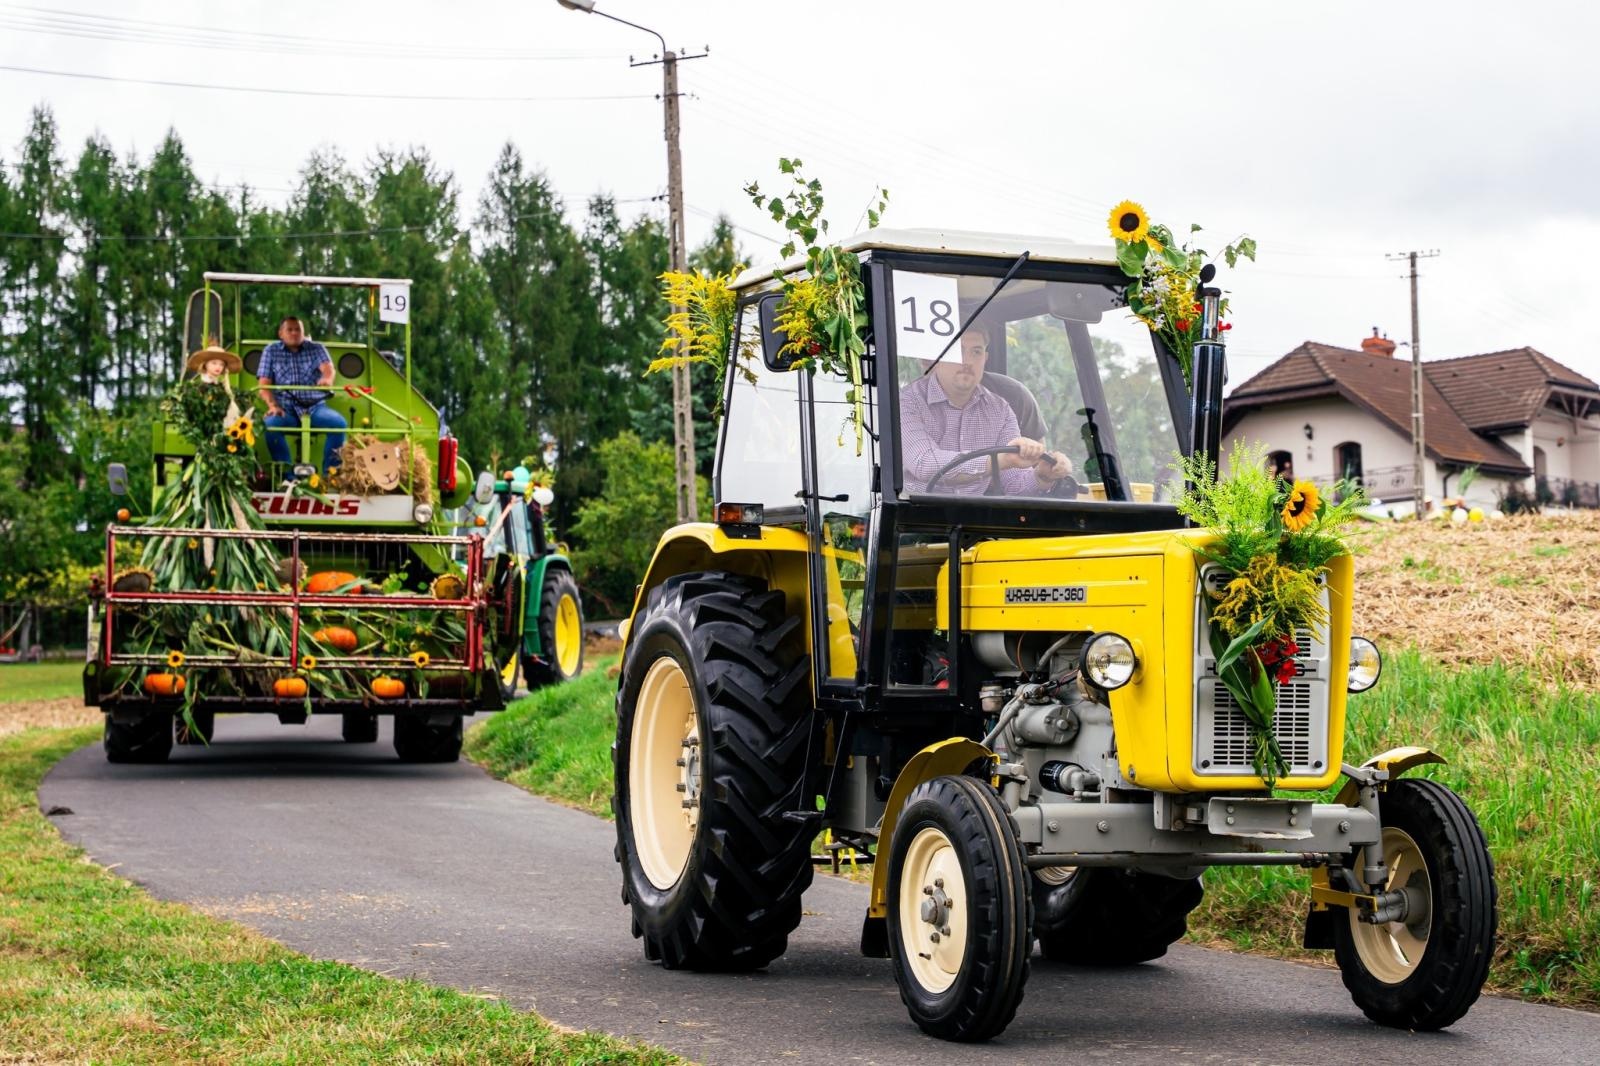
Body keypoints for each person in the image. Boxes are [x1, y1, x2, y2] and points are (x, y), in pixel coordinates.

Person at [899, 324, 1070, 496]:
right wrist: (1000, 460)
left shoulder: (1000, 410)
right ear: (937, 359)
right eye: (958, 351)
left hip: (978, 516)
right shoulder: (908, 400)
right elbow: (924, 464)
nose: (967, 361)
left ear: (985, 358)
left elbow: (1013, 483)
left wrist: (1042, 477)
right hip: (916, 515)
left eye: (976, 352)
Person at [257, 316, 346, 476]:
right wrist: (273, 406)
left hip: (315, 408)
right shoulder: (270, 351)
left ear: (303, 333)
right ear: (281, 334)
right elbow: (264, 384)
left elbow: (328, 369)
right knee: (270, 425)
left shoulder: (317, 348)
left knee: (338, 423)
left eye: (298, 329)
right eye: (289, 330)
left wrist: (327, 379)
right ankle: (287, 478)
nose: (294, 333)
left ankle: (330, 476)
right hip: (286, 410)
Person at [186, 344, 244, 426]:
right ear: (205, 364)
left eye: (222, 364)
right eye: (214, 363)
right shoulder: (197, 388)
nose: (218, 367)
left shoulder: (224, 389)